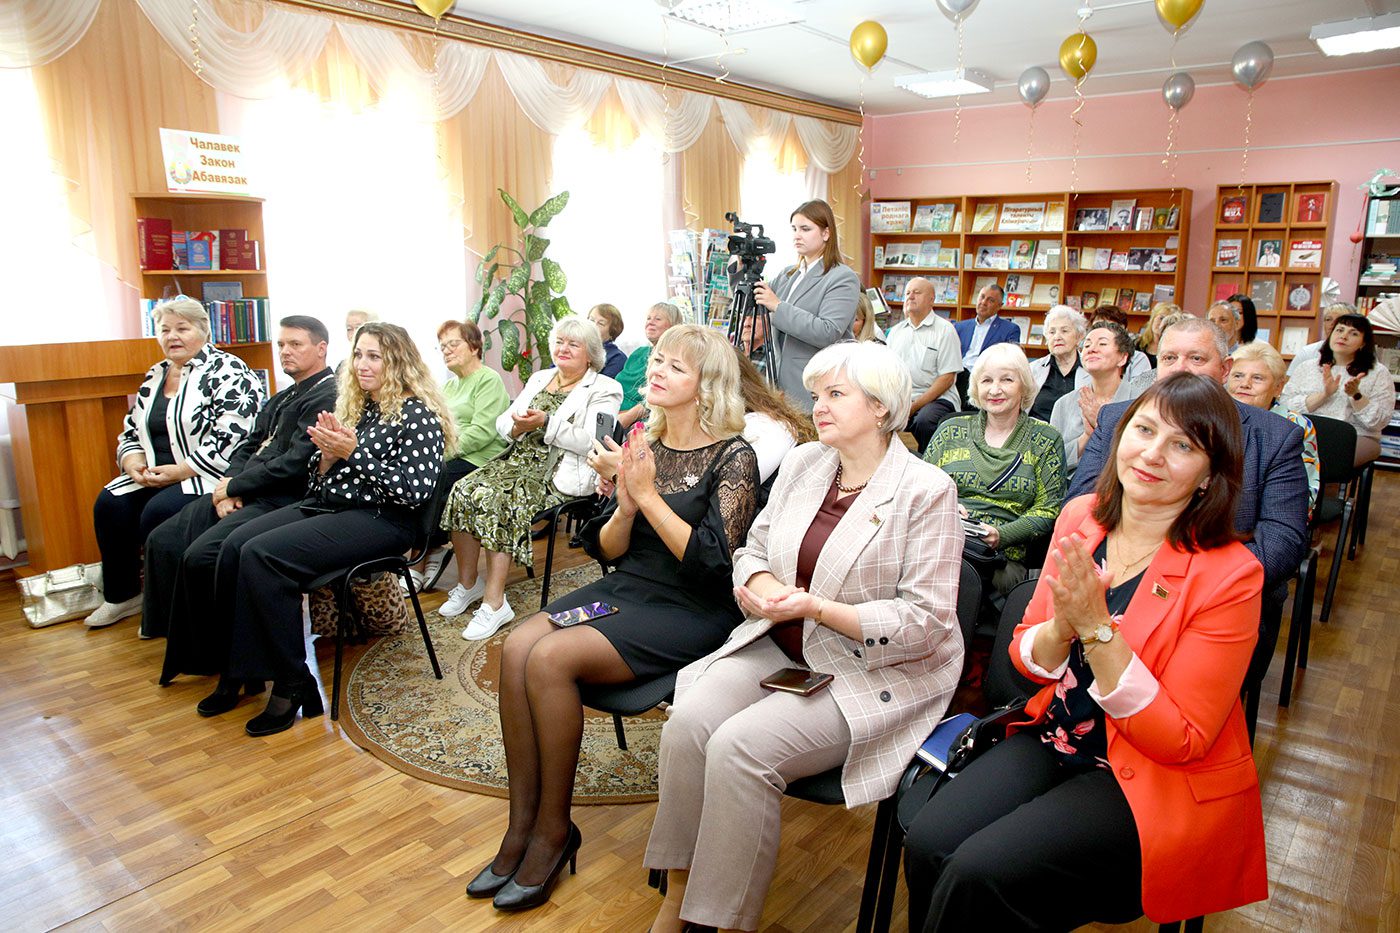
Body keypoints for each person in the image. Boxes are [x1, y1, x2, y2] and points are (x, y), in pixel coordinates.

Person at [904, 373, 1268, 931]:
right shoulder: (1084, 518)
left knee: (979, 875)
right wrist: (1063, 627)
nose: (1152, 454)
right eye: (1144, 430)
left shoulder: (1230, 576)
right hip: (1055, 734)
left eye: (1182, 445)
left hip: (1146, 776)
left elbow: (1181, 738)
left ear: (1209, 476)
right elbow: (1025, 659)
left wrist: (1097, 628)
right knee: (929, 841)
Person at [643, 340, 964, 933]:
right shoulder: (806, 463)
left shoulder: (926, 491)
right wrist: (759, 585)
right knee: (687, 724)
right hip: (784, 641)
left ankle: (720, 921)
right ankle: (678, 893)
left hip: (870, 669)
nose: (819, 406)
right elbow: (753, 548)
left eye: (835, 394)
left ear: (880, 407)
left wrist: (817, 606)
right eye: (816, 394)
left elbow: (925, 622)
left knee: (739, 749)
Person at [467, 325, 759, 912]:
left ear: (708, 384)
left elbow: (715, 567)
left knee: (550, 658)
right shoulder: (643, 441)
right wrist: (625, 507)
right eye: (659, 360)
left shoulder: (734, 457)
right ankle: (521, 826)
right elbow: (606, 549)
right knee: (517, 646)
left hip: (691, 607)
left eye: (676, 366)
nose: (657, 371)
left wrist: (647, 497)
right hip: (629, 587)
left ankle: (554, 832)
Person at [211, 322, 452, 736]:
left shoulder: (418, 415)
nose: (362, 364)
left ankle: (291, 682)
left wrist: (353, 453)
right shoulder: (363, 408)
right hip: (333, 506)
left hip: (384, 521)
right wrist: (325, 457)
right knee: (234, 545)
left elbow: (413, 494)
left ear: (398, 361)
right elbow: (320, 479)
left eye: (374, 356)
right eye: (358, 354)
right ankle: (241, 669)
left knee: (264, 556)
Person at [152, 316, 336, 690]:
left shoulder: (327, 395)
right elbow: (248, 445)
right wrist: (229, 486)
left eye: (295, 344)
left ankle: (230, 664)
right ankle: (197, 651)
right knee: (165, 539)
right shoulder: (283, 395)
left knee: (203, 556)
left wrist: (236, 486)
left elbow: (296, 462)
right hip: (246, 490)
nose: (285, 352)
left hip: (282, 498)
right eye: (281, 344)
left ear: (321, 349)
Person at [1070, 317, 1308, 595]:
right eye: (1169, 358)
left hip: (1220, 594)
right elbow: (1082, 505)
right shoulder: (1115, 419)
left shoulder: (1274, 437)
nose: (1180, 369)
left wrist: (1189, 589)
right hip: (1112, 578)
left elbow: (1282, 541)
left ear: (1225, 369)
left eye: (1196, 358)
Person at [86, 297, 264, 629]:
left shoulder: (229, 370)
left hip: (207, 474)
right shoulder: (156, 374)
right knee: (110, 504)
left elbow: (236, 435)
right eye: (165, 330)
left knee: (158, 512)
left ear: (204, 330)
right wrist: (133, 462)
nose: (172, 337)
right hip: (154, 472)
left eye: (182, 328)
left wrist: (181, 471)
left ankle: (168, 608)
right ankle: (123, 596)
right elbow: (131, 428)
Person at [440, 316, 622, 634]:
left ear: (591, 353)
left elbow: (593, 442)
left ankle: (495, 603)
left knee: (497, 497)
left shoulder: (605, 388)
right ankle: (468, 584)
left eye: (573, 344)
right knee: (463, 489)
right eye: (559, 342)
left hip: (557, 472)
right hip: (515, 461)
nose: (563, 348)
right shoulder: (541, 378)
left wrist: (546, 423)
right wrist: (515, 427)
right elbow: (503, 421)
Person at [924, 343, 1066, 593]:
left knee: (959, 575)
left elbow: (1048, 510)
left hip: (1001, 558)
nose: (995, 389)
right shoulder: (950, 431)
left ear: (1024, 385)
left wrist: (1002, 535)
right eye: (986, 380)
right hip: (941, 541)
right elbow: (921, 487)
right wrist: (948, 506)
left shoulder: (1045, 438)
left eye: (1007, 380)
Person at [421, 320, 510, 598]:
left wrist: (440, 455)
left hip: (483, 458)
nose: (446, 350)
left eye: (453, 344)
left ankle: (427, 552)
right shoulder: (448, 387)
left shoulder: (488, 379)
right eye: (442, 347)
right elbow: (437, 428)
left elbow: (482, 433)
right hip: (454, 455)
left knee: (435, 478)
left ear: (474, 347)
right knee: (418, 477)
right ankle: (428, 550)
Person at [753, 199, 861, 411]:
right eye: (794, 229)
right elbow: (754, 304)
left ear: (826, 233)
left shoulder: (842, 277)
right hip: (778, 387)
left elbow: (828, 331)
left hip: (815, 387)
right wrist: (742, 271)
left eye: (805, 229)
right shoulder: (788, 274)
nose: (797, 235)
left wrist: (778, 307)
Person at [1280, 312, 1395, 466]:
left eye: (1353, 333)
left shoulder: (1378, 372)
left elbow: (1380, 421)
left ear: (1363, 343)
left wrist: (1356, 395)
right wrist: (1324, 395)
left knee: (1323, 460)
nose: (1343, 336)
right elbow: (1285, 407)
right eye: (1339, 330)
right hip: (1307, 432)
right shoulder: (1307, 367)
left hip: (1357, 436)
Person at [1228, 341, 1319, 516]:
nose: (1245, 384)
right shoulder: (1214, 416)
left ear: (1278, 387)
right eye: (1238, 375)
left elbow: (1302, 498)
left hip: (1269, 515)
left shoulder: (1296, 426)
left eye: (1257, 378)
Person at [885, 277, 962, 452]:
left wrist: (914, 406)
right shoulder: (895, 333)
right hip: (902, 399)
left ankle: (928, 463)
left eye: (917, 292)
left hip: (938, 398)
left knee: (924, 421)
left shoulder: (945, 330)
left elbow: (947, 379)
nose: (910, 296)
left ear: (931, 299)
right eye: (907, 293)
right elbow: (887, 373)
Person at [1051, 321, 1138, 472]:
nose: (1091, 349)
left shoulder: (1141, 401)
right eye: (1087, 345)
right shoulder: (1063, 404)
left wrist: (1103, 425)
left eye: (1102, 344)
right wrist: (1086, 437)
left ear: (1123, 358)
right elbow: (1051, 461)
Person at [616, 301, 683, 429]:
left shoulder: (675, 360)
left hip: (637, 423)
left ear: (673, 326)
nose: (650, 322)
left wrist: (627, 417)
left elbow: (661, 398)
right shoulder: (638, 353)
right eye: (648, 318)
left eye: (658, 319)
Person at [953, 285, 1021, 408]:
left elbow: (1011, 361)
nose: (983, 302)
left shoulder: (1010, 329)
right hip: (958, 376)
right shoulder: (959, 327)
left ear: (1000, 305)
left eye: (991, 300)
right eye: (982, 297)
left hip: (984, 377)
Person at [1029, 304, 1087, 422]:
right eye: (1052, 332)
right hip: (1036, 431)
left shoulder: (1092, 370)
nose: (1057, 337)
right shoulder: (1032, 369)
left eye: (1064, 331)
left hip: (1076, 433)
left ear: (1079, 337)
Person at [1288, 302, 1354, 374]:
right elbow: (1289, 379)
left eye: (1339, 320)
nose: (1332, 323)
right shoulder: (1307, 352)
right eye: (1328, 319)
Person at [588, 303, 627, 379]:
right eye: (591, 320)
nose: (593, 326)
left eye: (601, 323)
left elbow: (602, 385)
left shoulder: (617, 358)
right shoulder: (575, 348)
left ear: (612, 331)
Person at [1135, 301, 1180, 367]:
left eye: (1167, 321)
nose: (1162, 323)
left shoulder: (1175, 349)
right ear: (1153, 319)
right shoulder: (1137, 343)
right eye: (1161, 318)